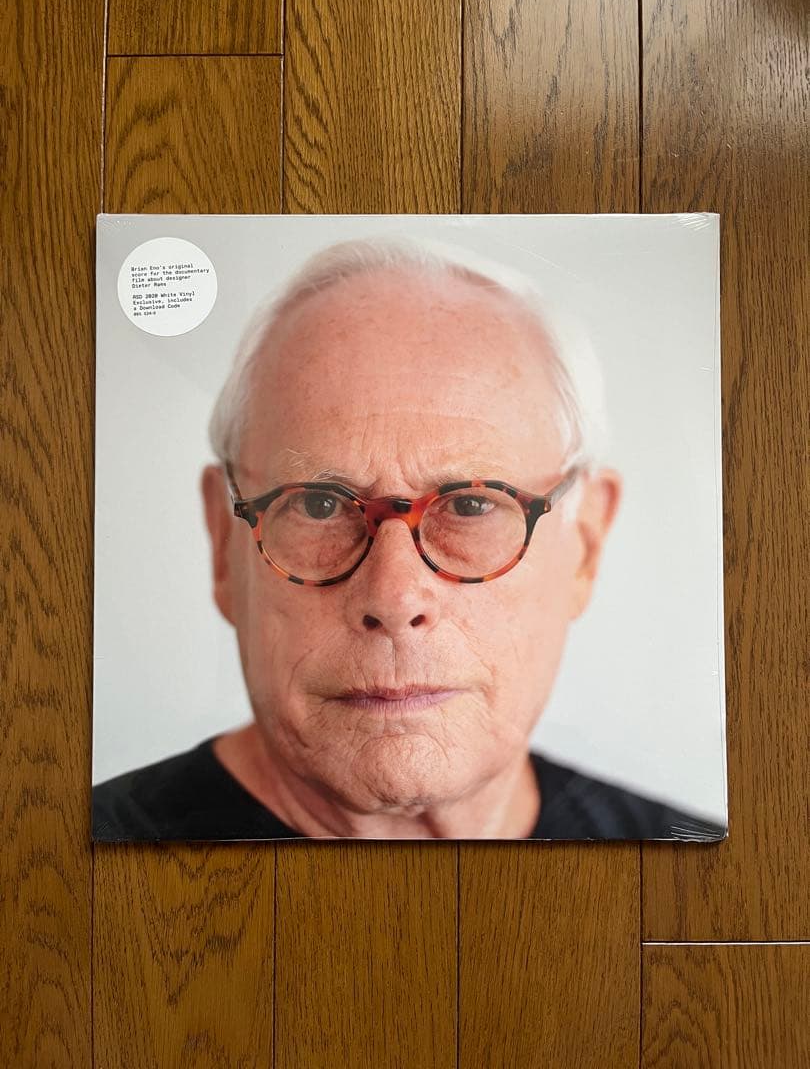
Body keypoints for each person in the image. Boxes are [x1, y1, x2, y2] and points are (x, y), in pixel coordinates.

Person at [93, 237, 725, 842]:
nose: (394, 598)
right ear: (222, 543)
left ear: (584, 544)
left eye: (471, 506)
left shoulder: (691, 880)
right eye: (318, 504)